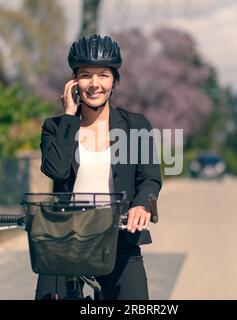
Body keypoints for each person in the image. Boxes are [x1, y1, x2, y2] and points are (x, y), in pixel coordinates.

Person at [36, 34, 162, 300]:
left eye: (103, 75)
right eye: (85, 75)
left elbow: (150, 179)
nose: (94, 84)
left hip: (119, 241)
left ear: (114, 81)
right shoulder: (54, 128)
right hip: (64, 241)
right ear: (73, 83)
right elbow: (56, 170)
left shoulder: (135, 126)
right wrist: (68, 117)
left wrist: (141, 205)